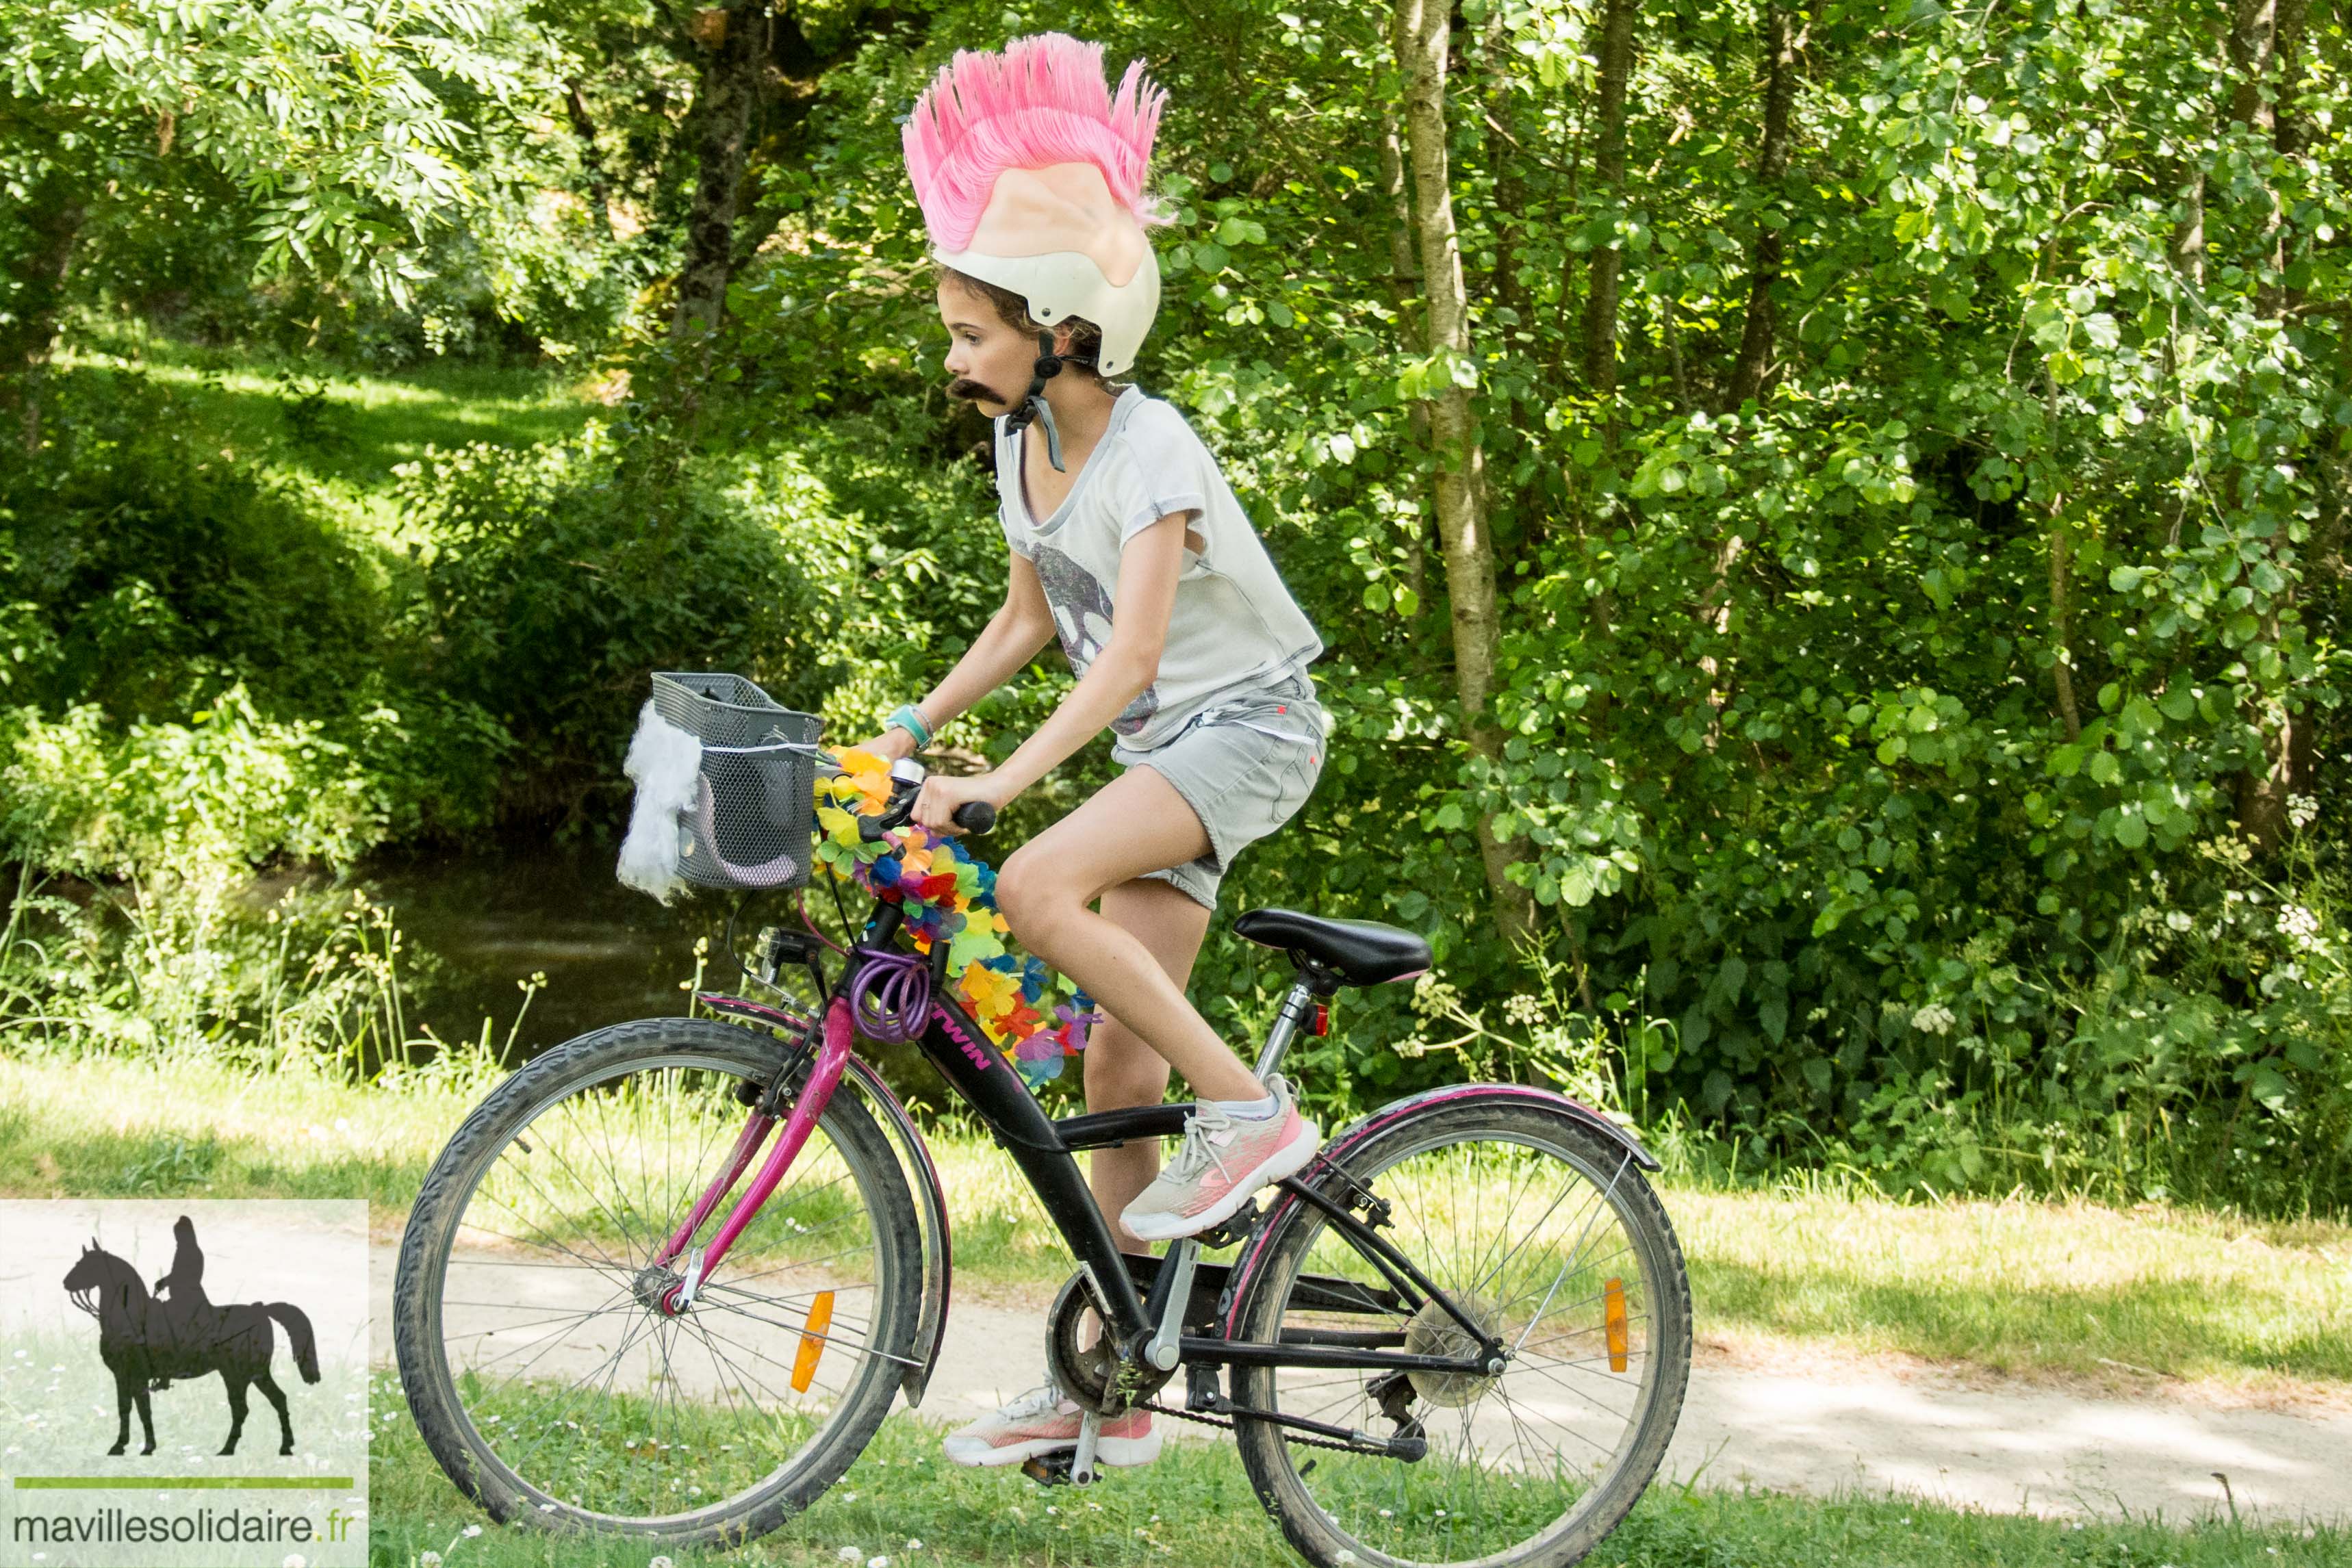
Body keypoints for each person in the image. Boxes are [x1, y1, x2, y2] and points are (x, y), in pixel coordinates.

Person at [865, 33, 1327, 1470]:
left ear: (1061, 327)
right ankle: (1122, 1373)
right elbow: (1024, 623)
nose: (951, 358)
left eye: (967, 333)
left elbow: (1125, 657)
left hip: (1245, 729)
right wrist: (913, 727)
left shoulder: (1153, 452)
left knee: (1032, 888)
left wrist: (1002, 788)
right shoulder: (1021, 452)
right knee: (1118, 1063)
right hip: (1165, 746)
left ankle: (1251, 1115)